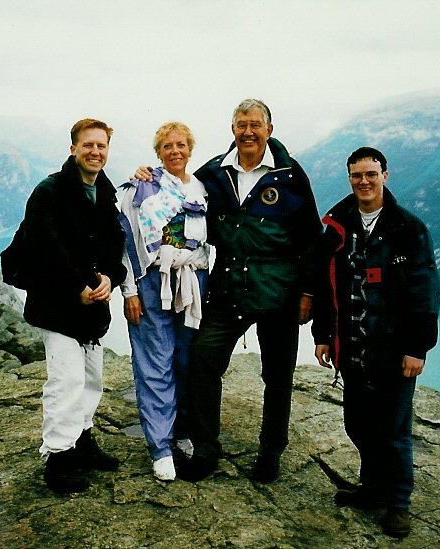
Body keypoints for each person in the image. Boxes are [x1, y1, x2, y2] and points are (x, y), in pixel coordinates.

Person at [138, 99, 322, 483]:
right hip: (228, 291)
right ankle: (206, 448)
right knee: (204, 361)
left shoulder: (289, 175)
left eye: (256, 124)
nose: (248, 132)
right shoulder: (215, 174)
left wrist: (307, 292)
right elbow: (177, 190)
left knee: (277, 374)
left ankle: (271, 450)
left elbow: (310, 238)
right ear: (232, 129)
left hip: (278, 293)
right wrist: (148, 175)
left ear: (269, 129)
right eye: (242, 125)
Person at [312, 147, 440, 538]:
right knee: (359, 423)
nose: (363, 182)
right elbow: (325, 283)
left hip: (393, 348)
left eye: (371, 174)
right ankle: (373, 488)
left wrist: (417, 347)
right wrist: (323, 336)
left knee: (394, 430)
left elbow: (425, 289)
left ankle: (398, 504)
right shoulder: (338, 223)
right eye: (356, 175)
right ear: (349, 178)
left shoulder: (408, 228)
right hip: (352, 347)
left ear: (385, 174)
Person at [14, 118, 127, 493]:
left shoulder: (105, 192)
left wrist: (111, 277)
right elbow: (44, 248)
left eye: (102, 146)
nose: (95, 152)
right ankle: (58, 458)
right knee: (67, 379)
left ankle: (81, 439)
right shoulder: (49, 192)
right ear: (73, 148)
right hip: (58, 304)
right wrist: (75, 287)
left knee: (92, 378)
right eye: (88, 145)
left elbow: (114, 246)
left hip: (91, 304)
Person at [118, 121, 211, 481]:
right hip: (153, 282)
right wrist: (129, 291)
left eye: (182, 145)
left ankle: (181, 431)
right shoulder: (142, 187)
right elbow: (125, 239)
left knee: (186, 359)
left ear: (190, 148)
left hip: (192, 281)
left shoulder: (201, 188)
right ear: (158, 152)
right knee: (155, 361)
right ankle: (160, 446)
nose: (175, 151)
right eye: (168, 146)